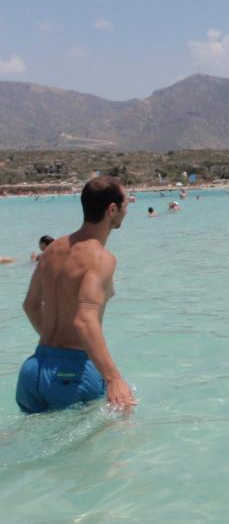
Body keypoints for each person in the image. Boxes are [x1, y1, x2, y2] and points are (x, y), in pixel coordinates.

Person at [17, 176, 135, 414]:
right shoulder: (101, 258)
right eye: (126, 203)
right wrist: (113, 378)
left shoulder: (52, 250)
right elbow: (84, 319)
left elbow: (30, 305)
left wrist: (55, 350)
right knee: (121, 426)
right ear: (112, 209)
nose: (128, 208)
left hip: (33, 370)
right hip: (73, 374)